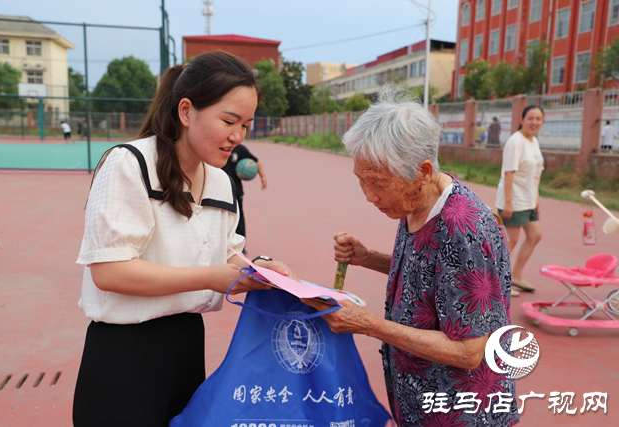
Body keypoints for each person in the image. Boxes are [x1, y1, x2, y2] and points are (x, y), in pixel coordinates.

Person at [72, 51, 294, 427]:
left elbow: (227, 256)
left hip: (187, 344)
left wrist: (259, 272)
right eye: (228, 121)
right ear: (187, 111)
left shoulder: (222, 180)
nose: (238, 137)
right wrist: (210, 277)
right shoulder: (129, 164)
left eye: (246, 125)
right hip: (124, 354)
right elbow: (109, 272)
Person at [303, 86, 518, 426]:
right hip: (420, 402)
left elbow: (469, 351)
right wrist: (367, 257)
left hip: (460, 411)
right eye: (361, 181)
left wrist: (369, 325)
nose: (370, 196)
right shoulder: (418, 201)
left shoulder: (464, 229)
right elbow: (437, 277)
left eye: (378, 183)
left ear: (423, 171)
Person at [495, 105, 545, 294]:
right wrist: (508, 202)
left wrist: (537, 198)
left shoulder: (533, 141)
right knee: (511, 241)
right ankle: (499, 284)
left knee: (535, 235)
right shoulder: (516, 142)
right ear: (522, 120)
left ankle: (516, 275)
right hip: (514, 199)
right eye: (531, 118)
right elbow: (509, 173)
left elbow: (535, 173)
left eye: (538, 119)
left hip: (529, 199)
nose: (534, 122)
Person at [222, 143, 267, 253]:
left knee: (239, 218)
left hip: (236, 190)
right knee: (222, 218)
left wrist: (263, 177)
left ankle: (241, 247)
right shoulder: (216, 147)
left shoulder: (239, 149)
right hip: (220, 190)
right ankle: (222, 245)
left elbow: (256, 161)